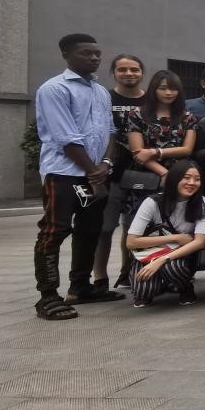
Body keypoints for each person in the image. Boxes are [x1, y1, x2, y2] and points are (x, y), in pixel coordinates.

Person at [32, 33, 115, 320]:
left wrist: (105, 164)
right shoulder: (54, 89)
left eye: (97, 53)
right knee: (54, 230)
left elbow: (111, 132)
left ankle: (81, 287)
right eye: (86, 53)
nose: (94, 58)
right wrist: (93, 171)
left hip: (95, 174)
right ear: (67, 55)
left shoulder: (101, 92)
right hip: (64, 174)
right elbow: (65, 137)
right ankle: (47, 296)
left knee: (90, 229)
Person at [91, 53, 146, 297]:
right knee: (104, 228)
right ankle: (99, 277)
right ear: (113, 72)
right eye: (122, 69)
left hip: (141, 174)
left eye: (134, 69)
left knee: (133, 227)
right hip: (109, 173)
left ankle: (127, 273)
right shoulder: (104, 97)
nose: (129, 74)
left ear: (141, 72)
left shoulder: (149, 100)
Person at [124, 160, 205, 307]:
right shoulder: (152, 202)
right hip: (150, 253)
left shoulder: (203, 203)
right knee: (143, 291)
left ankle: (184, 287)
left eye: (197, 179)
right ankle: (160, 284)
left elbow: (199, 241)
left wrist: (162, 260)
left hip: (180, 255)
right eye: (186, 178)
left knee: (172, 268)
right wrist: (176, 237)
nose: (192, 183)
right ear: (174, 179)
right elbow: (131, 242)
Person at [122, 71, 199, 220]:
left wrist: (155, 152)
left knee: (174, 221)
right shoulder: (137, 114)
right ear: (154, 89)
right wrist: (164, 173)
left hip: (178, 176)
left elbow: (187, 149)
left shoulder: (187, 117)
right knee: (138, 223)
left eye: (173, 88)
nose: (168, 93)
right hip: (145, 175)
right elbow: (138, 152)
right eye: (163, 88)